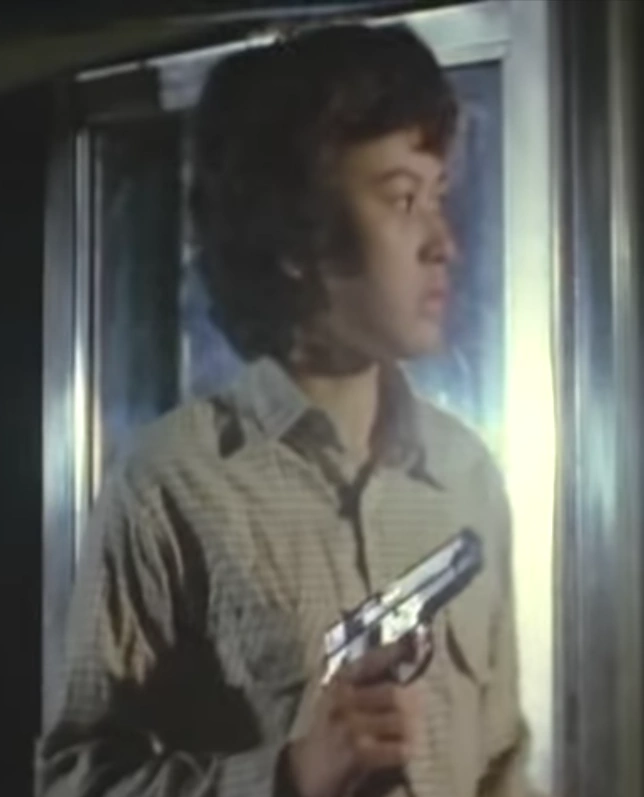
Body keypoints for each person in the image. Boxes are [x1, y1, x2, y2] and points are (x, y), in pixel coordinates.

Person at [37, 22, 535, 797]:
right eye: (403, 198)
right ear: (295, 237)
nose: (444, 241)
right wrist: (288, 774)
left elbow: (502, 765)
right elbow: (73, 779)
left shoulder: (467, 474)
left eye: (438, 195)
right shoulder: (170, 486)